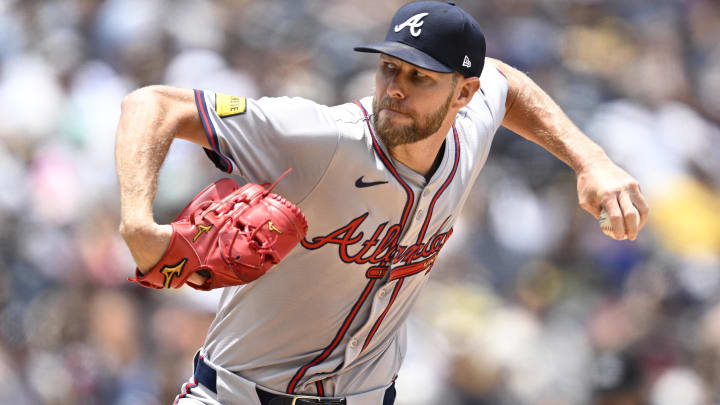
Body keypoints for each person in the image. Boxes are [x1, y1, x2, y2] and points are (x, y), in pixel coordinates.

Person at [115, 1, 649, 404]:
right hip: (235, 395)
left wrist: (591, 160)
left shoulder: (472, 127)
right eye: (390, 68)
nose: (396, 87)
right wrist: (138, 221)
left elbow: (503, 80)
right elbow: (154, 104)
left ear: (463, 94)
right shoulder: (320, 138)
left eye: (420, 77)